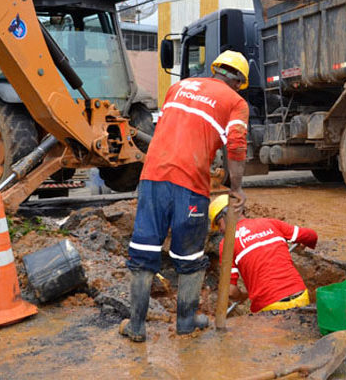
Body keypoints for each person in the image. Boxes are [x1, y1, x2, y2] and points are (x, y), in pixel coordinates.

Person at [120, 49, 250, 341]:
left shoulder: (177, 87)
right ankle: (186, 322)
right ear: (240, 81)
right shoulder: (236, 102)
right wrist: (237, 188)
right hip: (190, 183)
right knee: (188, 256)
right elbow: (237, 146)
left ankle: (136, 326)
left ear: (215, 70)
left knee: (144, 252)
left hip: (152, 177)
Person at [208, 195, 318, 313]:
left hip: (270, 307)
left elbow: (230, 291)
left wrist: (241, 297)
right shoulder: (270, 223)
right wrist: (303, 244)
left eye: (218, 224)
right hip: (301, 297)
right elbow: (311, 235)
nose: (220, 230)